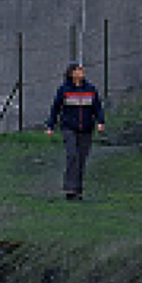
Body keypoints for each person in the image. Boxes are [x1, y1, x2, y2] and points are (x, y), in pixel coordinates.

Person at [45, 61, 106, 200]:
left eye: (82, 70)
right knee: (72, 156)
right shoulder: (64, 90)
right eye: (78, 70)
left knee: (82, 159)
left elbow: (97, 107)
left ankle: (78, 190)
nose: (81, 73)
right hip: (69, 127)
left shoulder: (90, 89)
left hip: (86, 128)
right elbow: (56, 108)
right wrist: (51, 125)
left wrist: (100, 121)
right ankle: (70, 189)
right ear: (71, 73)